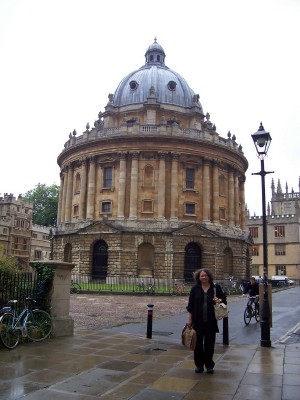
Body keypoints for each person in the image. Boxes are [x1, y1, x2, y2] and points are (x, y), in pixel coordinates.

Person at [186, 268, 226, 374]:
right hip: (197, 321)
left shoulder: (215, 287)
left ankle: (209, 365)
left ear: (209, 276)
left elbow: (223, 299)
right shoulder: (195, 288)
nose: (204, 277)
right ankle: (199, 365)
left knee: (209, 344)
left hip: (210, 320)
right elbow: (190, 306)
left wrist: (219, 300)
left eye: (205, 275)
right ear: (198, 277)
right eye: (202, 276)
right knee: (197, 344)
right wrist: (190, 319)